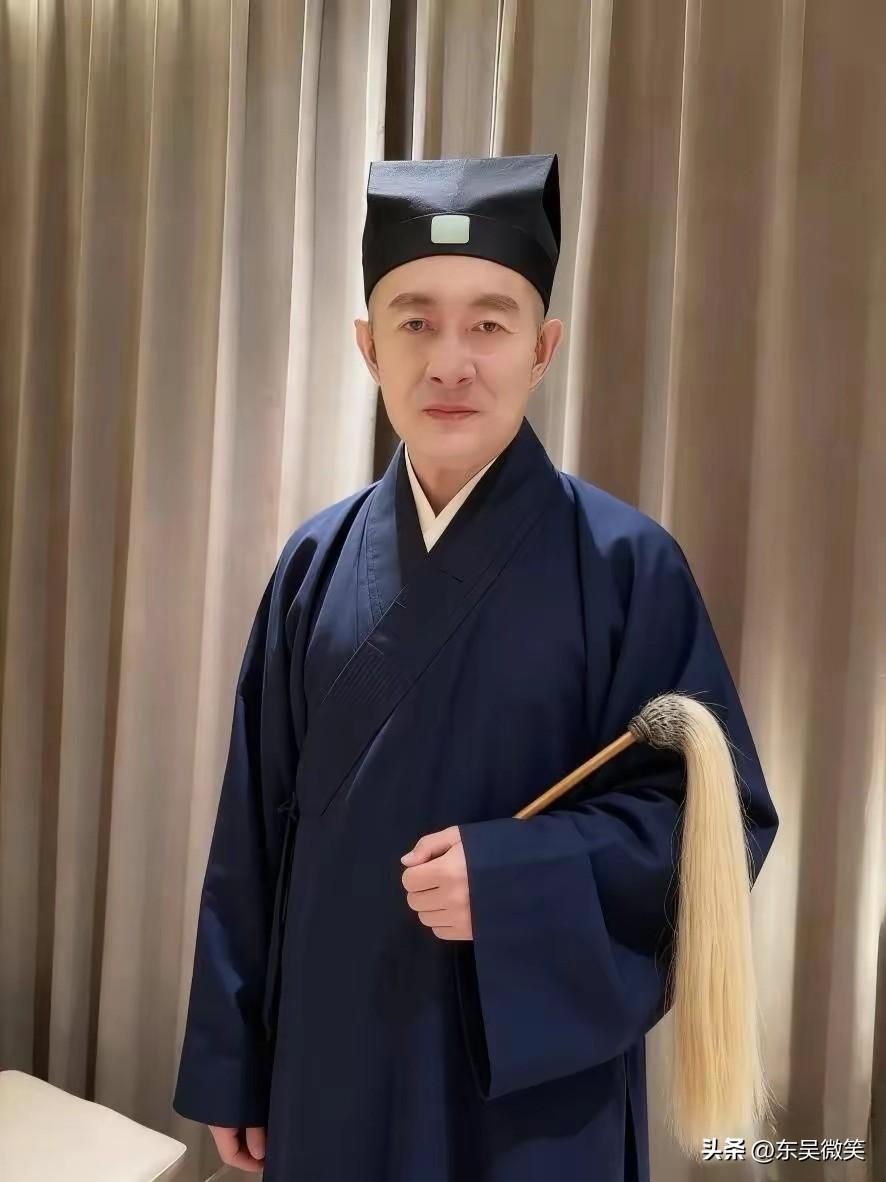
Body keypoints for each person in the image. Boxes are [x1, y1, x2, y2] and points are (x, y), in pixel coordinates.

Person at [171, 153, 779, 1181]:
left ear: (542, 349)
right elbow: (252, 834)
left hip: (532, 1098)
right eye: (415, 321)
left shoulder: (627, 567)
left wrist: (515, 885)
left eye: (489, 325)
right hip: (332, 1060)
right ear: (369, 346)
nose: (450, 362)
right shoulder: (314, 565)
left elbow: (715, 823)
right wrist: (235, 1061)